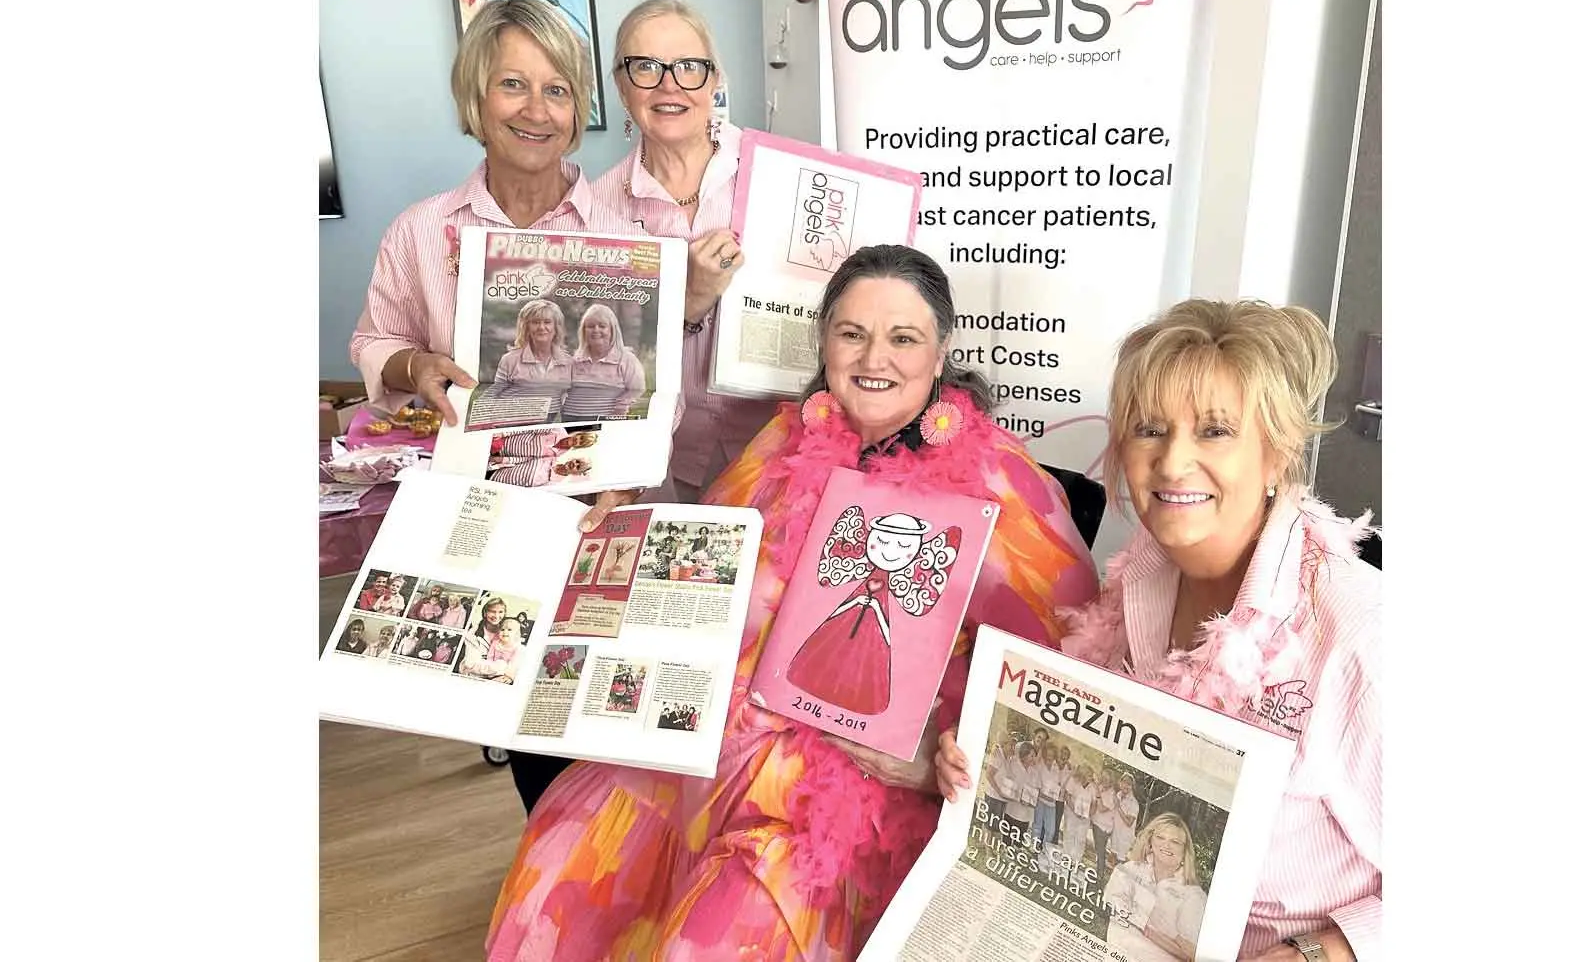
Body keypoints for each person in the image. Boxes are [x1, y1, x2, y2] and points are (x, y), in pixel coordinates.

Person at [486, 245, 1100, 960]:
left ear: (939, 354)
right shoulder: (785, 438)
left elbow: (1069, 668)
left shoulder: (1000, 483)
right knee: (557, 864)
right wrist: (612, 534)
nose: (876, 356)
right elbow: (703, 568)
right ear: (825, 342)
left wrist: (932, 755)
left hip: (863, 784)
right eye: (851, 332)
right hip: (720, 735)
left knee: (721, 933)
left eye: (903, 337)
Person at [937, 298, 1382, 961]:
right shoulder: (1132, 582)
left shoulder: (1357, 632)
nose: (1172, 462)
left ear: (1274, 454)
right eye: (1149, 429)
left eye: (1213, 431)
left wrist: (1323, 952)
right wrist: (982, 759)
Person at [349, 0, 597, 428]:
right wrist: (415, 366)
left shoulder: (628, 230)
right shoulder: (419, 229)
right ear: (475, 97)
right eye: (513, 84)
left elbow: (662, 392)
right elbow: (375, 341)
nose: (537, 110)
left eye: (557, 90)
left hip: (594, 481)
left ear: (576, 112)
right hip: (469, 485)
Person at [575, 0, 780, 502]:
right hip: (659, 463)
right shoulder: (594, 210)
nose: (670, 84)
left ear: (714, 80)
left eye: (689, 66)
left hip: (780, 455)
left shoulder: (781, 176)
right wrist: (685, 300)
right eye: (646, 67)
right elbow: (595, 355)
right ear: (621, 87)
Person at [1102, 813, 1209, 962]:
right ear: (1150, 841)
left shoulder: (1193, 896)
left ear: (1185, 851)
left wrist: (1150, 928)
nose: (1166, 845)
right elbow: (1111, 906)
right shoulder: (1129, 869)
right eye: (1160, 837)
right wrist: (1156, 930)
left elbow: (1192, 955)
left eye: (1175, 842)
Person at [556, 302, 645, 421]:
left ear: (612, 330)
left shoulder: (626, 359)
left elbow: (637, 389)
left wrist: (622, 407)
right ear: (583, 331)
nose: (596, 330)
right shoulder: (575, 361)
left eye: (602, 326)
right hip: (571, 421)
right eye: (591, 326)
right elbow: (561, 389)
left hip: (606, 423)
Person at [489, 298, 573, 409]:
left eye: (547, 322)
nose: (541, 327)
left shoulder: (569, 362)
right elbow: (493, 398)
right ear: (526, 327)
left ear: (556, 327)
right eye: (535, 322)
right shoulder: (509, 360)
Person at [460, 618, 523, 683]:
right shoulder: (495, 643)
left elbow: (514, 664)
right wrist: (491, 672)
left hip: (505, 673)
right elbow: (489, 657)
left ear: (516, 633)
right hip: (492, 670)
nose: (505, 632)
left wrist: (509, 676)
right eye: (502, 629)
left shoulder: (517, 647)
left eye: (509, 630)